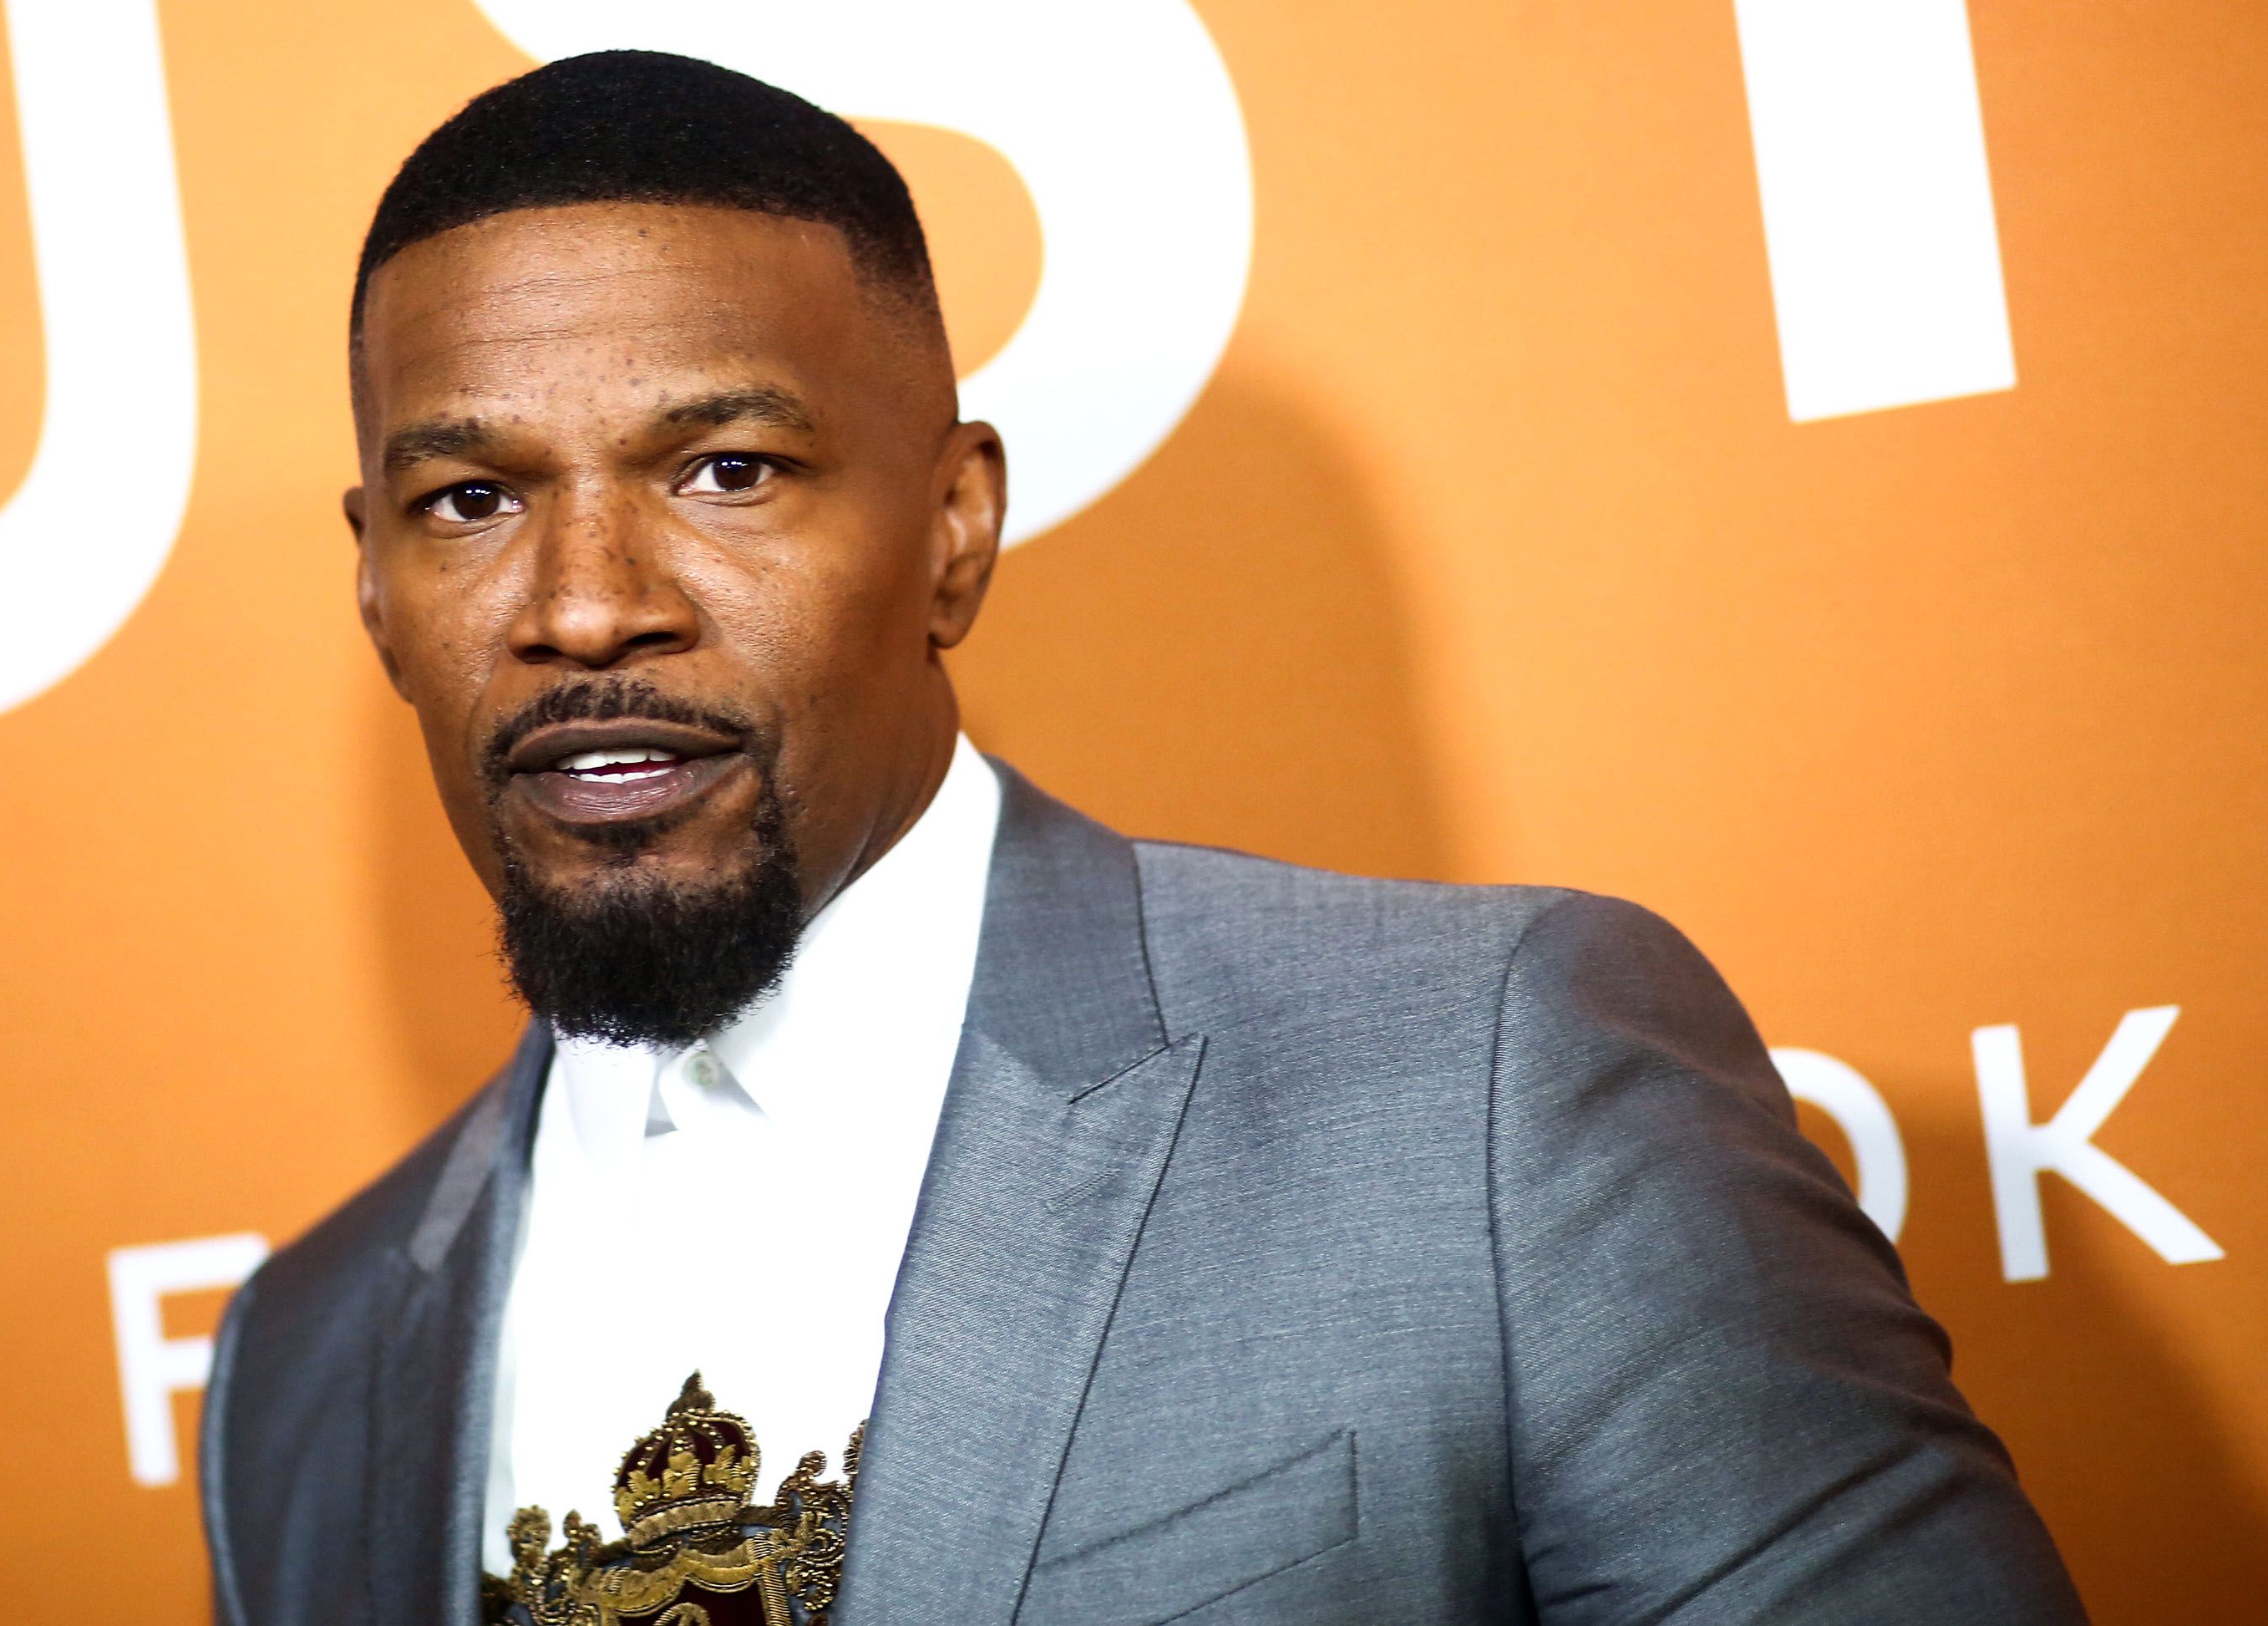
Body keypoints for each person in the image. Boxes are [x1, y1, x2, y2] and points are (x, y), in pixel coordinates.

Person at [200, 49, 2086, 1626]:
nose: (585, 604)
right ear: (375, 592)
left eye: (727, 471)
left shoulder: (1493, 1089)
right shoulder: (301, 1359)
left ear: (953, 530)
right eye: (470, 499)